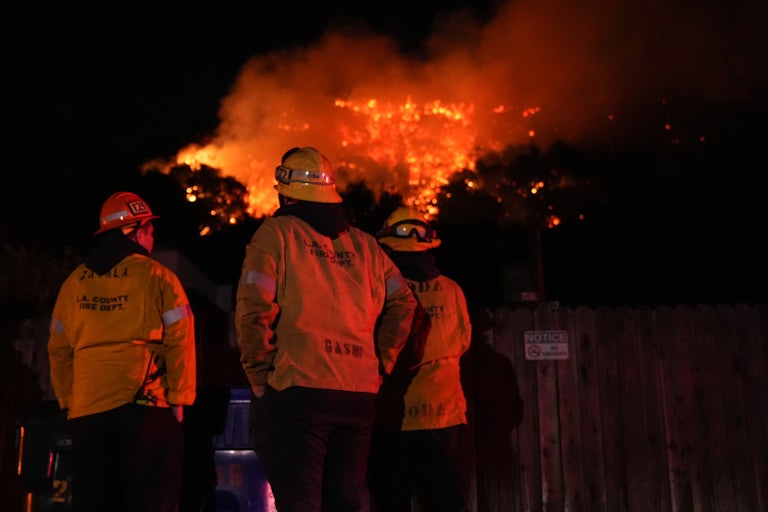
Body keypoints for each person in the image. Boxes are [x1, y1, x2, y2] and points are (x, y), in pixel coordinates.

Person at [234, 146, 417, 512]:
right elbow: (405, 302)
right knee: (349, 499)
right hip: (358, 394)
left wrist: (258, 374)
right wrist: (382, 361)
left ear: (285, 192)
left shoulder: (275, 235)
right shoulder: (366, 245)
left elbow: (254, 308)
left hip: (298, 389)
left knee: (300, 501)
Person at [48, 191, 197, 512]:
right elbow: (180, 339)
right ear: (137, 230)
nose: (153, 237)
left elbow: (58, 349)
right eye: (150, 231)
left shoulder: (74, 283)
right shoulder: (157, 276)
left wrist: (68, 402)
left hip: (86, 417)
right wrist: (180, 399)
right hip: (143, 409)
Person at [369, 205, 472, 512]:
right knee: (446, 501)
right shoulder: (452, 290)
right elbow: (463, 341)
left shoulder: (378, 291)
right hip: (445, 417)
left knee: (390, 500)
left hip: (393, 417)